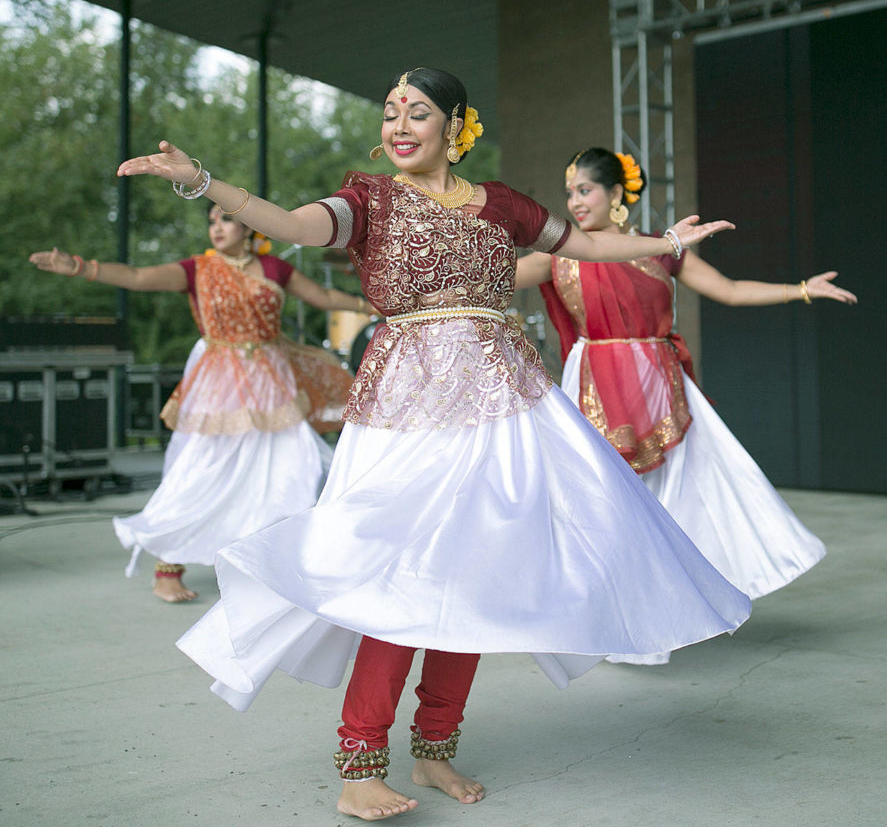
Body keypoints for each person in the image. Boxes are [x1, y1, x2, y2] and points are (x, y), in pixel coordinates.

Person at [117, 68, 751, 821]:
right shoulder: (367, 200)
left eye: (416, 111)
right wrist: (205, 182)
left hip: (504, 404)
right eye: (389, 112)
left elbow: (586, 241)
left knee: (480, 577)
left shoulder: (503, 204)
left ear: (455, 125)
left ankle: (435, 749)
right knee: (394, 578)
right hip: (406, 409)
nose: (398, 123)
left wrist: (668, 240)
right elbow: (286, 224)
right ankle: (359, 763)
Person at [517, 148, 856, 660]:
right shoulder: (559, 255)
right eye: (569, 193)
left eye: (584, 189)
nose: (574, 201)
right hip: (593, 388)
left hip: (661, 389)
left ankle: (663, 619)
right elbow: (489, 279)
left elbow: (731, 290)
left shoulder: (659, 250)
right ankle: (611, 622)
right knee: (601, 510)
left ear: (616, 195)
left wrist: (803, 290)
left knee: (679, 504)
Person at [29, 205, 367, 602]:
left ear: (249, 227)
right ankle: (167, 566)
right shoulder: (198, 270)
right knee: (203, 468)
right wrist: (82, 268)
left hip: (271, 382)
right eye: (211, 221)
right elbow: (138, 278)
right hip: (219, 382)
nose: (217, 228)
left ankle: (270, 561)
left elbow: (324, 296)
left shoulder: (276, 269)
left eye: (225, 219)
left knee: (290, 468)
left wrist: (376, 307)